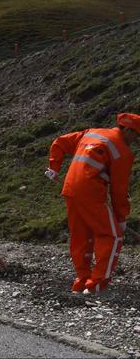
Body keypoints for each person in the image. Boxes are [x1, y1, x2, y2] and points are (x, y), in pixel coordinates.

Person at [45, 113, 140, 295]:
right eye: (136, 135)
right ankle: (97, 285)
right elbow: (119, 189)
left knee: (81, 234)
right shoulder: (123, 151)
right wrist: (121, 217)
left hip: (70, 189)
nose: (136, 140)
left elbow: (59, 142)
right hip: (91, 192)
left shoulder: (91, 133)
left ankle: (81, 282)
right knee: (112, 236)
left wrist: (54, 167)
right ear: (127, 129)